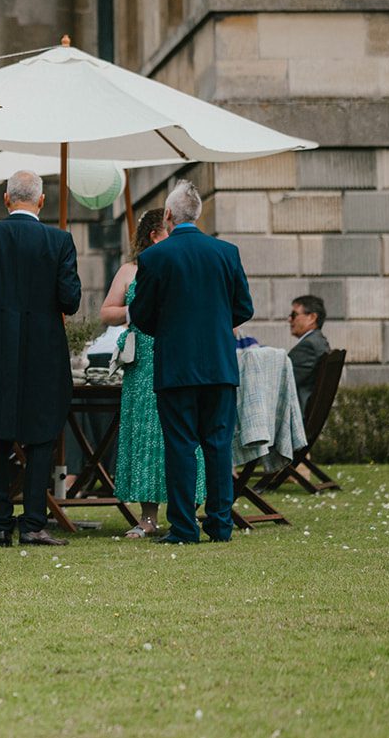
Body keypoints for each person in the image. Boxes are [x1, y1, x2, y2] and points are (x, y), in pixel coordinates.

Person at [0, 171, 81, 548]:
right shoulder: (59, 241)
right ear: (41, 202)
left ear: (6, 199)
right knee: (41, 436)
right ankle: (33, 524)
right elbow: (70, 301)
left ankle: (1, 524)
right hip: (45, 351)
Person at [129, 180, 254, 545]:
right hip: (218, 363)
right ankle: (219, 524)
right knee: (218, 446)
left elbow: (142, 313)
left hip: (177, 366)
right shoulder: (226, 252)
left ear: (168, 215)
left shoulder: (154, 257)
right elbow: (244, 307)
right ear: (197, 214)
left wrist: (167, 329)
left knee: (181, 446)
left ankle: (184, 527)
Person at [100, 208, 205, 538]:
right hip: (144, 359)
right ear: (153, 236)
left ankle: (186, 509)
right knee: (147, 434)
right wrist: (136, 309)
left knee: (184, 432)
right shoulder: (131, 270)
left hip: (180, 353)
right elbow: (106, 311)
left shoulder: (184, 264)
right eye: (169, 231)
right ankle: (147, 517)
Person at [287, 294, 330, 415]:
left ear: (312, 317)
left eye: (294, 315)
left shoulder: (308, 347)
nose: (289, 319)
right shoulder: (319, 342)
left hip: (297, 415)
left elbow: (282, 382)